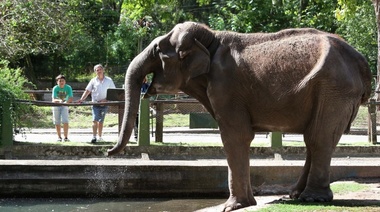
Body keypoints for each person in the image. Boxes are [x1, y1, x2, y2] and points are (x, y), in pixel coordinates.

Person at [78, 64, 116, 143]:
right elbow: (87, 91)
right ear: (95, 72)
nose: (99, 71)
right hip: (95, 103)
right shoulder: (93, 80)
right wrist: (81, 99)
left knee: (101, 121)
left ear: (103, 70)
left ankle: (100, 136)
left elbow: (113, 92)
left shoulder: (109, 80)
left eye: (100, 69)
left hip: (105, 104)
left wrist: (106, 100)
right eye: (97, 70)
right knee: (94, 120)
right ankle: (94, 136)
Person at [52, 74, 73, 142]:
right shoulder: (55, 88)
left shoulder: (68, 87)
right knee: (57, 121)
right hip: (56, 105)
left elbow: (70, 98)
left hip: (65, 105)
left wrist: (66, 102)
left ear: (65, 81)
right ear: (57, 82)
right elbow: (54, 99)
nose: (61, 82)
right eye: (60, 81)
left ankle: (66, 137)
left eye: (63, 81)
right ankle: (59, 137)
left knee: (65, 121)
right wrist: (60, 101)